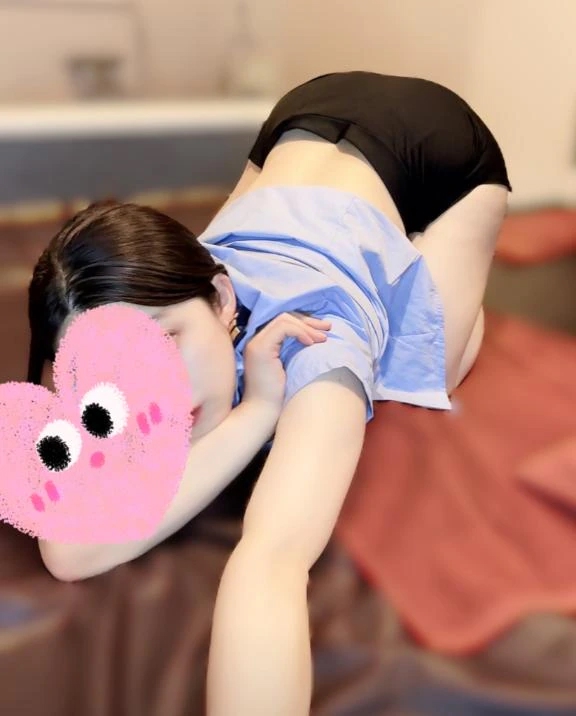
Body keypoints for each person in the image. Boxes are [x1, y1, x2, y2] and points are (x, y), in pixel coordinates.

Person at [26, 71, 510, 716]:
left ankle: (415, 250)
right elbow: (68, 550)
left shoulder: (317, 342)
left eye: (166, 341)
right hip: (302, 117)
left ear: (220, 298)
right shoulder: (127, 311)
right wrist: (256, 411)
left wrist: (283, 395)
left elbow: (273, 561)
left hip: (440, 144)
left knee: (430, 373)